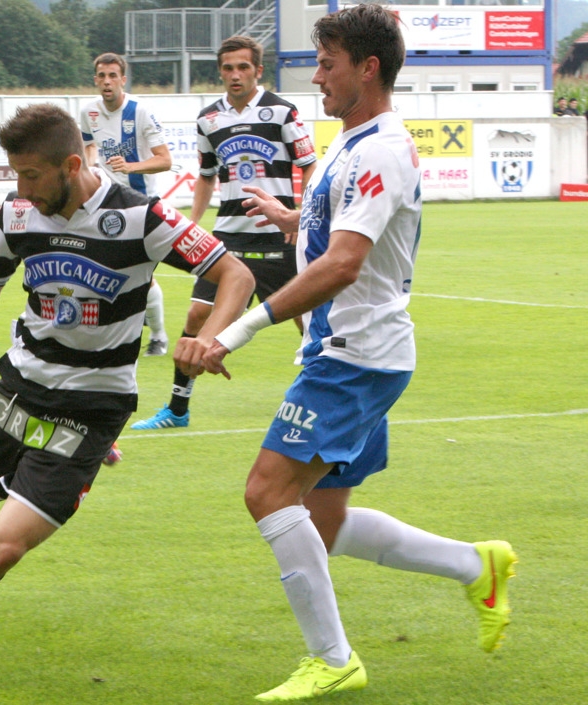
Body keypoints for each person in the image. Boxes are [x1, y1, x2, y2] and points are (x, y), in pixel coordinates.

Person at [0, 103, 255, 681]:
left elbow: (235, 275)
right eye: (15, 174)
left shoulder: (141, 218)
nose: (21, 188)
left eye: (31, 175)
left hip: (95, 405)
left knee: (0, 549)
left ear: (72, 163)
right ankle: (60, 467)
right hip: (20, 386)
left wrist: (211, 338)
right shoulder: (18, 214)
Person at [189, 6, 517, 700]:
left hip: (353, 355)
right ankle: (475, 566)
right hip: (359, 351)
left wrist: (236, 329)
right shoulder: (349, 140)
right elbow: (332, 238)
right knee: (322, 520)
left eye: (328, 63)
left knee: (267, 491)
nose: (317, 77)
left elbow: (342, 265)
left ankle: (332, 657)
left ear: (368, 69)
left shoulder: (379, 148)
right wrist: (291, 220)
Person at [130, 35, 317, 432]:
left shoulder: (283, 113)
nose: (235, 75)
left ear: (258, 70)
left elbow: (310, 166)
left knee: (307, 324)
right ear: (220, 71)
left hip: (276, 237)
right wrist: (193, 223)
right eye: (228, 68)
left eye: (243, 67)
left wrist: (299, 215)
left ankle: (327, 406)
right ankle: (177, 410)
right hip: (228, 238)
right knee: (198, 315)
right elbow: (206, 175)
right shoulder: (208, 119)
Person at [80, 52, 173, 358]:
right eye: (101, 76)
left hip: (139, 204)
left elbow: (165, 160)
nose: (107, 82)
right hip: (104, 202)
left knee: (141, 274)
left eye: (112, 76)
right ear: (96, 80)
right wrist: (92, 165)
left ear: (123, 79)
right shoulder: (88, 112)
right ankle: (117, 334)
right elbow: (88, 145)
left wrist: (130, 167)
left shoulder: (140, 112)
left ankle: (158, 336)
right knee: (101, 271)